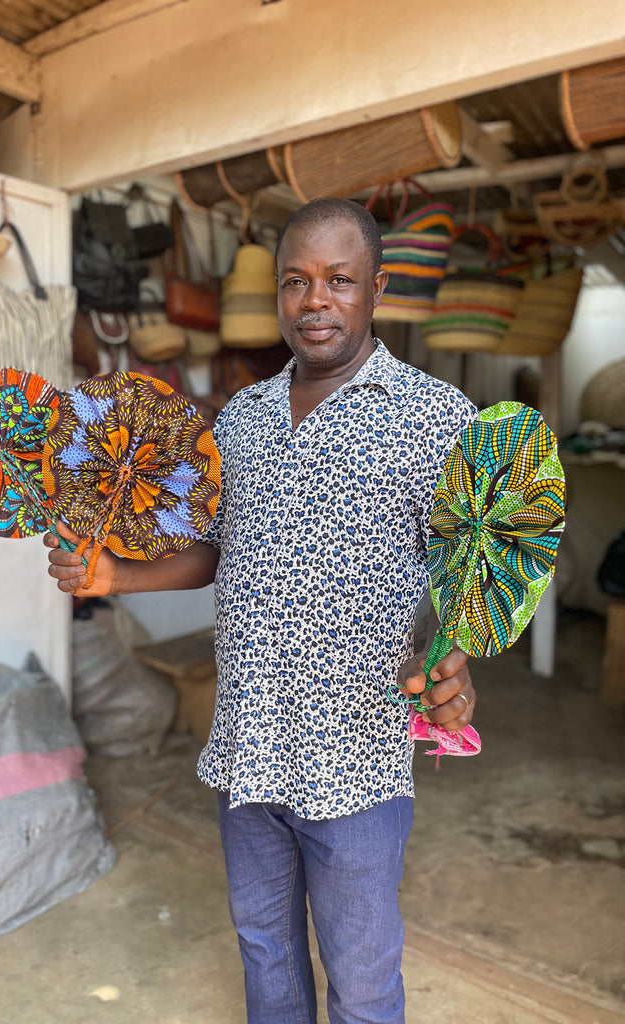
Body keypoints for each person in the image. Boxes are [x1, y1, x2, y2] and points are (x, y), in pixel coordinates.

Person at [46, 197, 477, 1024]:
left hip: (356, 753)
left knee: (360, 978)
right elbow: (217, 548)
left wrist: (456, 661)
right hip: (249, 747)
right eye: (296, 281)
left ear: (375, 288)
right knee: (265, 951)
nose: (315, 300)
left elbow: (470, 572)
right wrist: (112, 578)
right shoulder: (239, 419)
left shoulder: (437, 419)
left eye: (339, 281)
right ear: (279, 294)